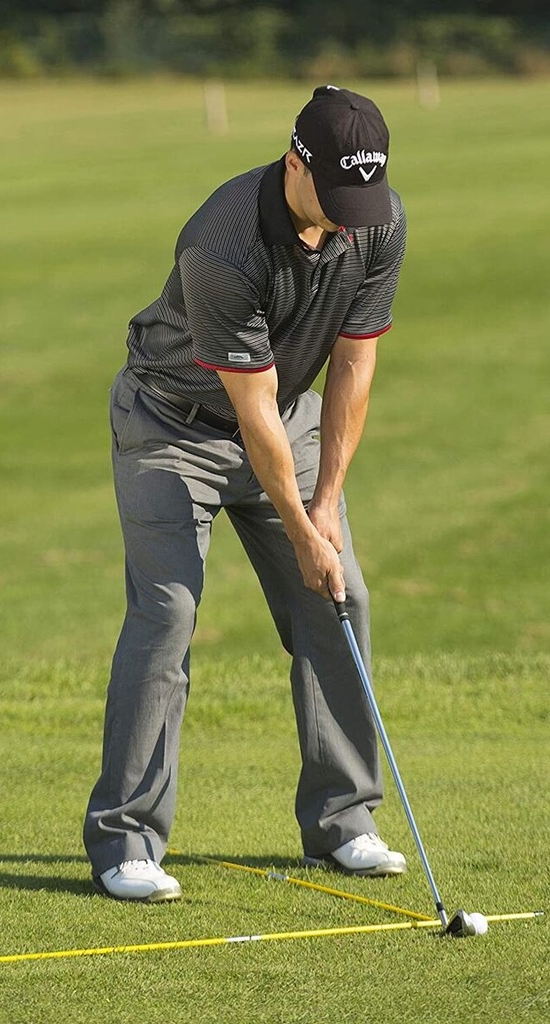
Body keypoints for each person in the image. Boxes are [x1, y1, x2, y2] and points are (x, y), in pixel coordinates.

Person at [83, 85, 408, 902]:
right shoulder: (221, 244)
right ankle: (127, 842)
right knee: (168, 616)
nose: (345, 218)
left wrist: (326, 504)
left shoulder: (376, 222)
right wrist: (299, 528)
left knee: (342, 599)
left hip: (285, 417)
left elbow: (354, 365)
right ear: (295, 160)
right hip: (173, 422)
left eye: (358, 200)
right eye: (332, 197)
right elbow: (250, 407)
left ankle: (346, 821)